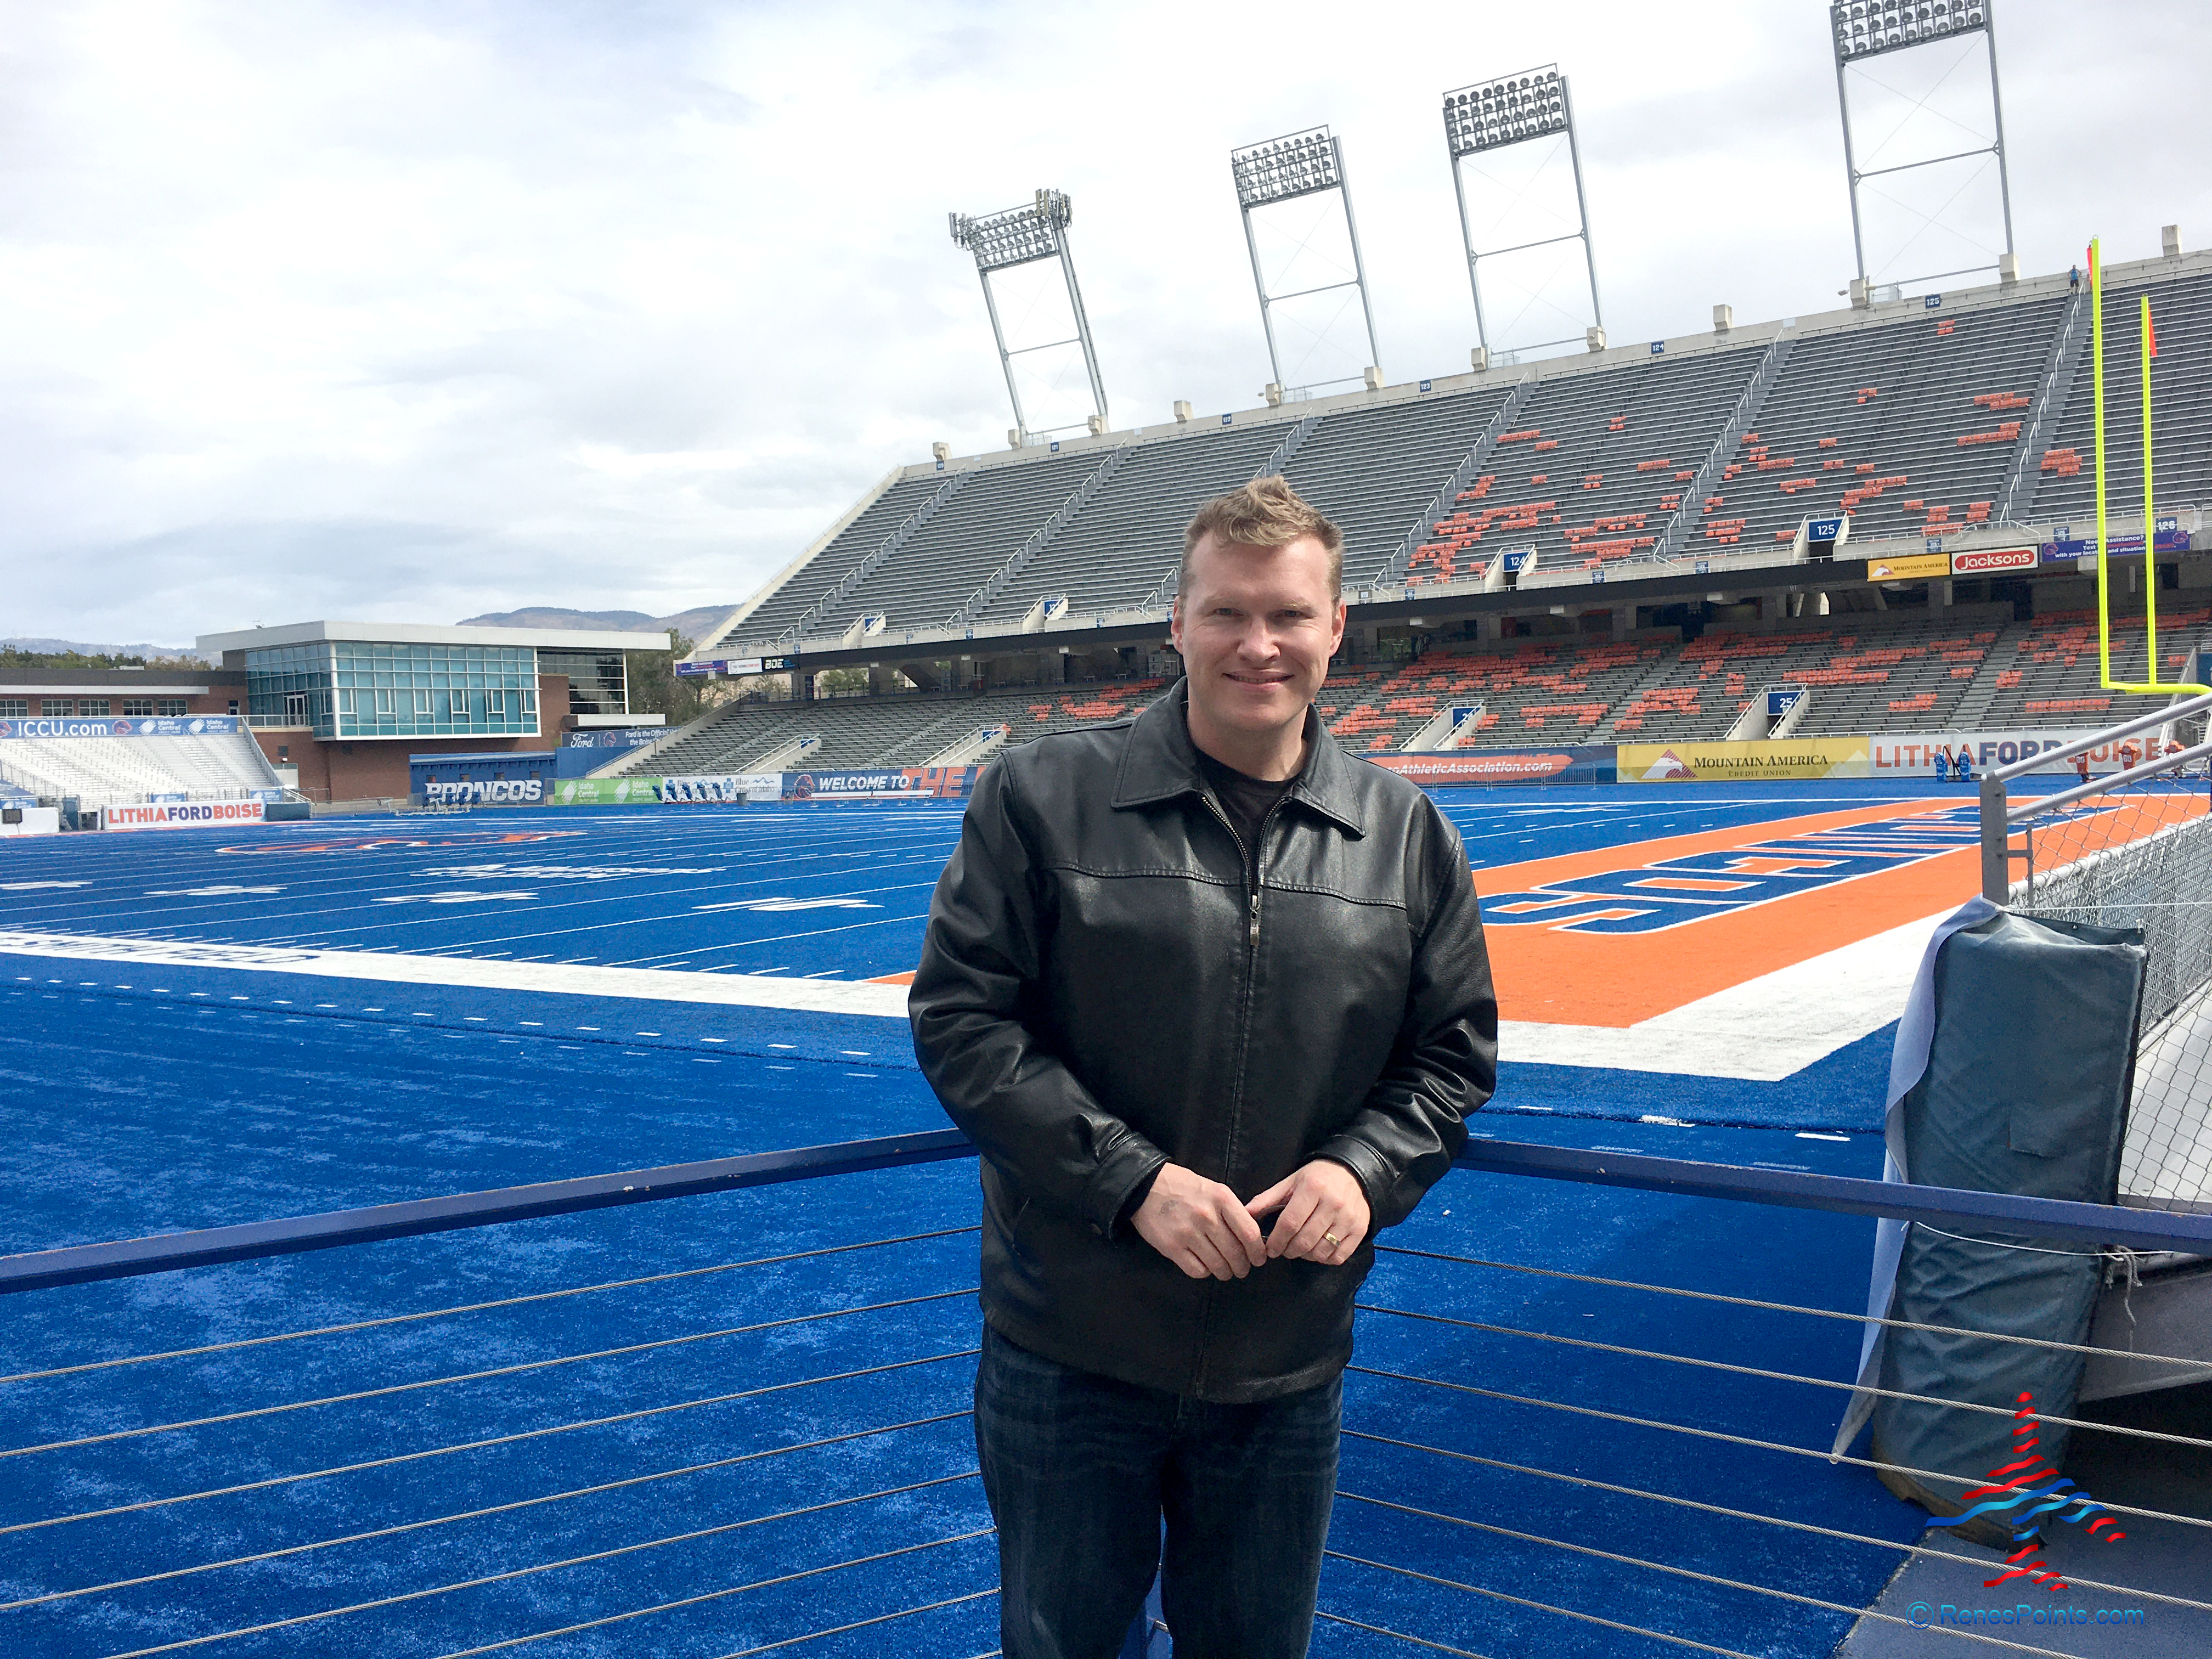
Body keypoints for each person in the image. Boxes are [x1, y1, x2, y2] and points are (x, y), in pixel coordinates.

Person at [910, 477, 1497, 1659]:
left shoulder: (1406, 832)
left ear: (1336, 628)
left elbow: (1451, 1059)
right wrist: (1131, 1182)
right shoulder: (1041, 794)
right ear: (1175, 622)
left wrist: (1365, 1171)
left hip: (1284, 1362)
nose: (1258, 643)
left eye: (1287, 614)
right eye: (1228, 613)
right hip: (1071, 1347)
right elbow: (963, 1021)